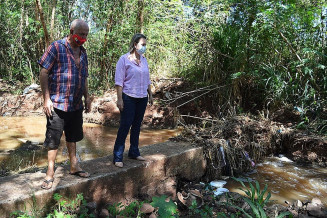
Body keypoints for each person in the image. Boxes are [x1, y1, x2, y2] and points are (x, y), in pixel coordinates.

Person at [39, 19, 91, 189]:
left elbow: (83, 78)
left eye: (86, 35)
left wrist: (87, 97)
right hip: (57, 103)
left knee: (73, 136)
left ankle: (74, 166)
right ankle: (50, 172)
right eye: (81, 34)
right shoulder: (56, 47)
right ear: (71, 31)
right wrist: (46, 98)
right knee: (53, 139)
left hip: (75, 104)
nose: (83, 37)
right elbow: (44, 72)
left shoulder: (83, 53)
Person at [113, 33, 153, 168]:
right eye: (143, 45)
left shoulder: (144, 60)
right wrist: (119, 99)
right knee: (125, 126)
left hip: (142, 97)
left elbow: (147, 79)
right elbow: (119, 82)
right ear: (135, 45)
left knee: (137, 126)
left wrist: (150, 94)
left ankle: (134, 152)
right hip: (128, 97)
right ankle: (118, 156)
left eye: (145, 45)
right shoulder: (124, 60)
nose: (144, 47)